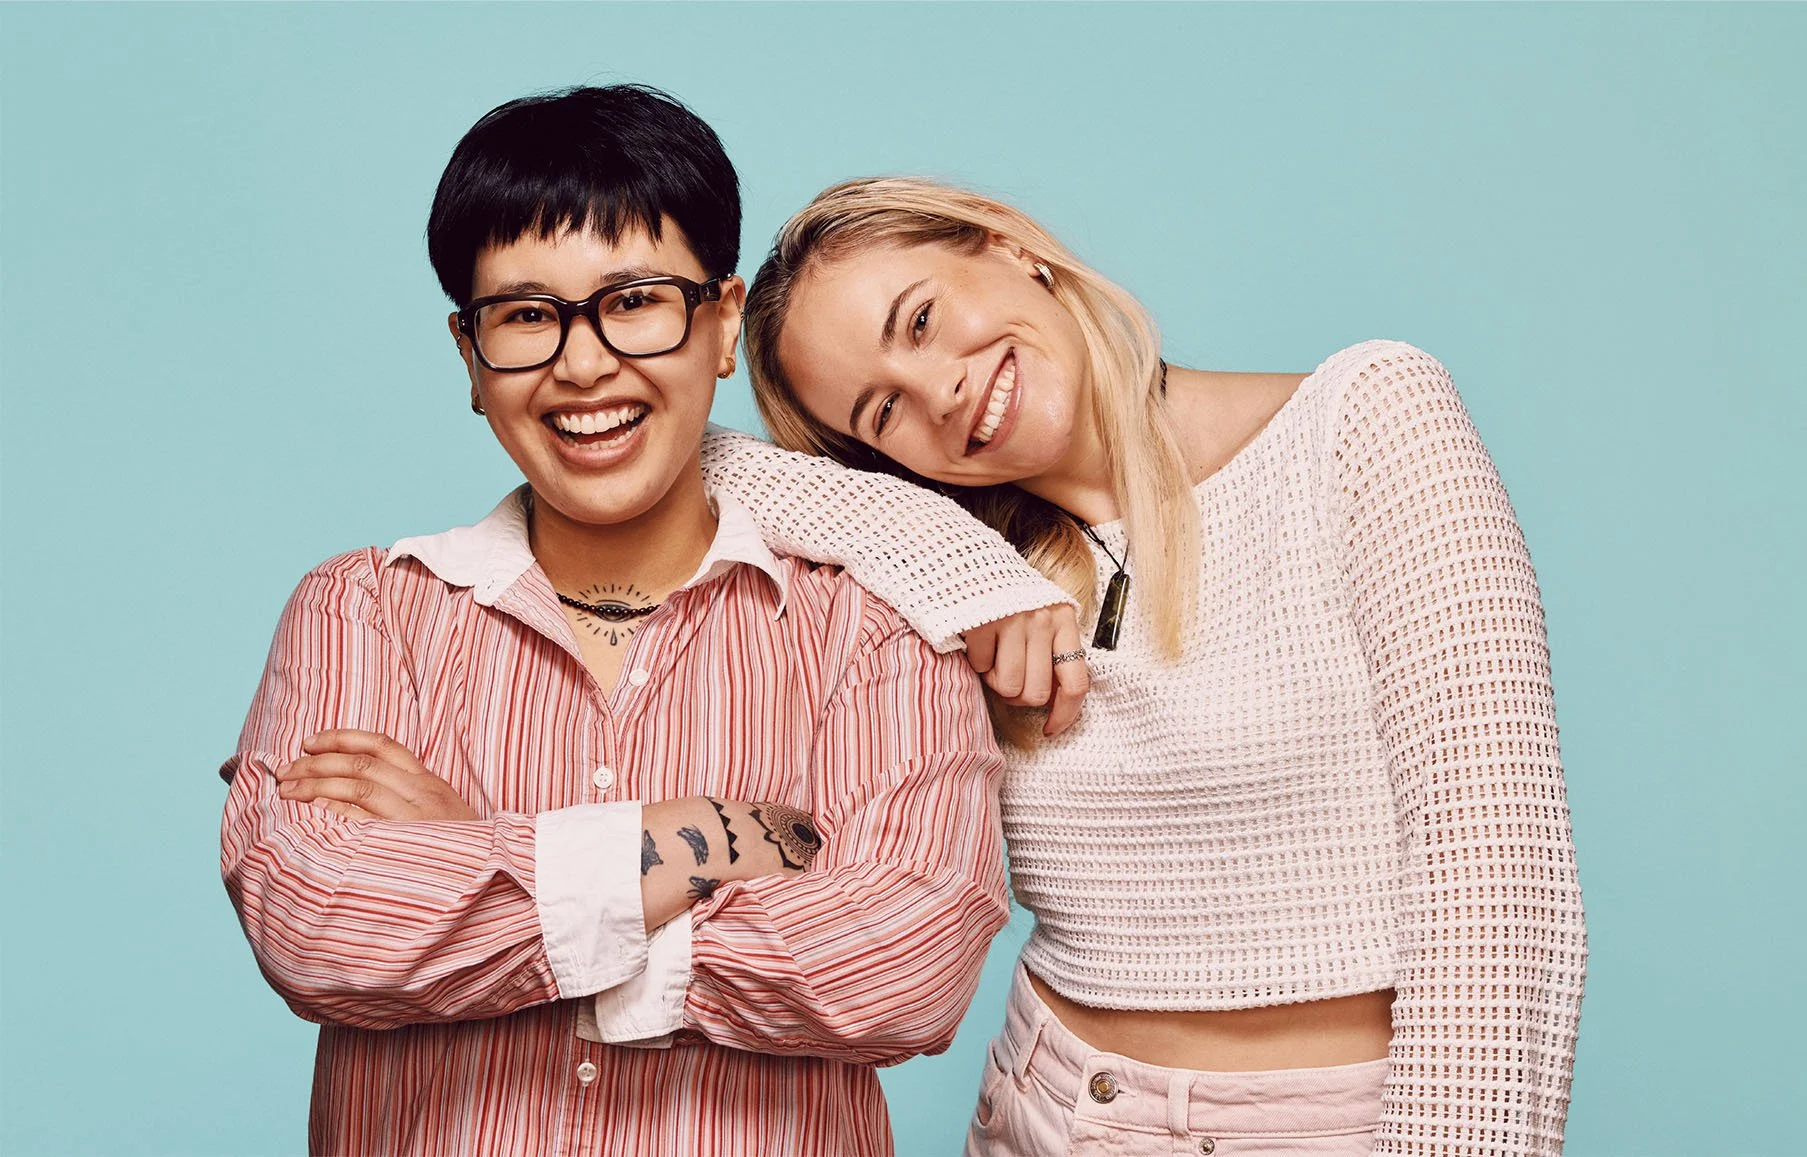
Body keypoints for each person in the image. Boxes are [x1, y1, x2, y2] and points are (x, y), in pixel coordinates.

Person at [219, 89, 1011, 1157]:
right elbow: (319, 927)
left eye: (634, 300)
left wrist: (474, 849)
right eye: (526, 315)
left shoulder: (871, 622)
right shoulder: (363, 608)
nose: (583, 363)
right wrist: (744, 834)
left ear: (722, 323)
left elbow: (903, 967)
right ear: (469, 355)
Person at [726, 177, 1589, 1156]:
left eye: (921, 319)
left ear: (1011, 248)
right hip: (1040, 1106)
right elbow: (684, 460)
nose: (940, 391)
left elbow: (1500, 880)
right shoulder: (972, 576)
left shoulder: (1363, 419)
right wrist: (943, 548)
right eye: (883, 412)